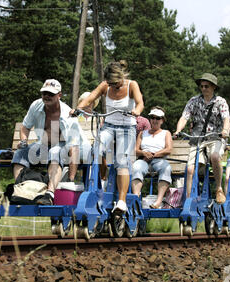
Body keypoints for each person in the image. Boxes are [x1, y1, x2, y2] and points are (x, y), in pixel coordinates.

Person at [73, 61, 144, 215]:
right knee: (96, 149)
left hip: (127, 128)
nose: (114, 87)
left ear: (122, 77)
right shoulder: (105, 85)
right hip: (109, 126)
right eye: (111, 84)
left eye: (116, 84)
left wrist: (137, 111)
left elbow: (140, 103)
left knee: (122, 161)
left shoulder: (132, 85)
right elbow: (90, 97)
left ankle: (122, 202)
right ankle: (99, 185)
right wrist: (78, 109)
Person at [12, 79, 75, 205]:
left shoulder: (66, 114)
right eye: (44, 93)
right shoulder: (36, 105)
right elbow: (25, 127)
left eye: (51, 94)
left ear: (59, 95)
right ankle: (21, 191)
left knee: (55, 152)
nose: (46, 96)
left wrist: (71, 178)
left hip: (61, 146)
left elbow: (73, 145)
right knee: (20, 153)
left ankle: (49, 194)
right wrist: (23, 141)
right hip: (42, 144)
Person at [173, 73, 230, 204]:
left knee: (215, 156)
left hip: (215, 137)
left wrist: (225, 130)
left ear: (214, 87)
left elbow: (226, 118)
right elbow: (184, 117)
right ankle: (188, 199)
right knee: (189, 168)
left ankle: (219, 188)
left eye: (207, 86)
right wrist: (178, 130)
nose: (203, 89)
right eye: (202, 86)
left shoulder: (220, 102)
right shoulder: (194, 101)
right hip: (197, 139)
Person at [131, 107, 172, 209]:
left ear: (162, 120)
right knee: (136, 167)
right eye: (152, 118)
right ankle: (136, 198)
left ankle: (158, 201)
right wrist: (144, 153)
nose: (154, 120)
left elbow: (168, 149)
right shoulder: (142, 133)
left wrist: (154, 154)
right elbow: (136, 150)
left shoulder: (166, 133)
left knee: (166, 168)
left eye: (158, 118)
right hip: (144, 159)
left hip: (159, 160)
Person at [66, 92, 101, 182]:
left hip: (92, 145)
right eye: (86, 102)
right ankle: (71, 181)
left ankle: (91, 182)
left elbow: (100, 135)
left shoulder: (98, 117)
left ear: (93, 104)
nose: (88, 104)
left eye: (91, 102)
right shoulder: (76, 115)